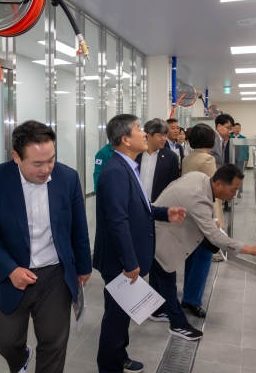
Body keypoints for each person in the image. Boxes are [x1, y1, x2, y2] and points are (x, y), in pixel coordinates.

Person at [0, 120, 92, 373]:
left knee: (53, 342)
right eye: (37, 163)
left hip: (54, 274)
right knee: (5, 340)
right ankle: (21, 358)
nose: (46, 169)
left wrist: (83, 267)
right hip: (11, 273)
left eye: (51, 160)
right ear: (16, 156)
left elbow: (78, 228)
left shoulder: (68, 178)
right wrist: (10, 269)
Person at [93, 114, 186, 373]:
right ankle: (109, 367)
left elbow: (138, 208)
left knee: (122, 314)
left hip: (126, 258)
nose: (144, 133)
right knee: (115, 318)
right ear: (125, 140)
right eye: (138, 129)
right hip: (119, 261)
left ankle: (119, 356)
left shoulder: (128, 166)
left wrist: (164, 213)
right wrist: (130, 262)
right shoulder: (115, 172)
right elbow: (118, 221)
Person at [150, 165, 256, 331]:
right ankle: (178, 325)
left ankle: (156, 311)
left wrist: (212, 218)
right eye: (233, 190)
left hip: (155, 228)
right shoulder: (198, 198)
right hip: (160, 235)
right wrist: (249, 249)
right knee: (167, 280)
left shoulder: (198, 176)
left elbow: (203, 206)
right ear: (218, 184)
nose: (234, 195)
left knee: (158, 274)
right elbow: (215, 237)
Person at [177, 124, 225, 317]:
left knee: (192, 254)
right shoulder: (207, 159)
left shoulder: (188, 157)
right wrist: (215, 218)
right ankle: (192, 300)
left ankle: (188, 294)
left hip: (190, 212)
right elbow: (213, 191)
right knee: (204, 257)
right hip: (204, 213)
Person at [135, 118, 180, 202]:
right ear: (149, 135)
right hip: (137, 203)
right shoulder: (136, 154)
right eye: (160, 135)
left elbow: (173, 185)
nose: (164, 139)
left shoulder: (170, 157)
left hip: (159, 204)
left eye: (165, 135)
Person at [231, 123, 249, 199]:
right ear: (233, 129)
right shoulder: (230, 137)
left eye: (238, 128)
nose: (237, 129)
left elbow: (246, 149)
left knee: (239, 175)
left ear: (240, 129)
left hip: (240, 159)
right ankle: (231, 190)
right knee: (231, 175)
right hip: (231, 158)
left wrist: (246, 158)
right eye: (235, 128)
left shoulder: (243, 138)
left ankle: (239, 192)